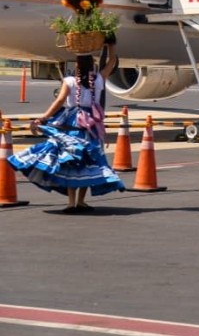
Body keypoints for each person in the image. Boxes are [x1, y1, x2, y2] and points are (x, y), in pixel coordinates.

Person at [8, 35, 125, 212]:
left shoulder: (69, 81)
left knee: (71, 163)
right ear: (92, 66)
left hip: (72, 123)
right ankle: (80, 202)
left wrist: (43, 118)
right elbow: (112, 62)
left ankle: (71, 202)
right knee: (88, 162)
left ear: (77, 67)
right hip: (91, 126)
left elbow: (59, 101)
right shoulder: (99, 79)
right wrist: (111, 46)